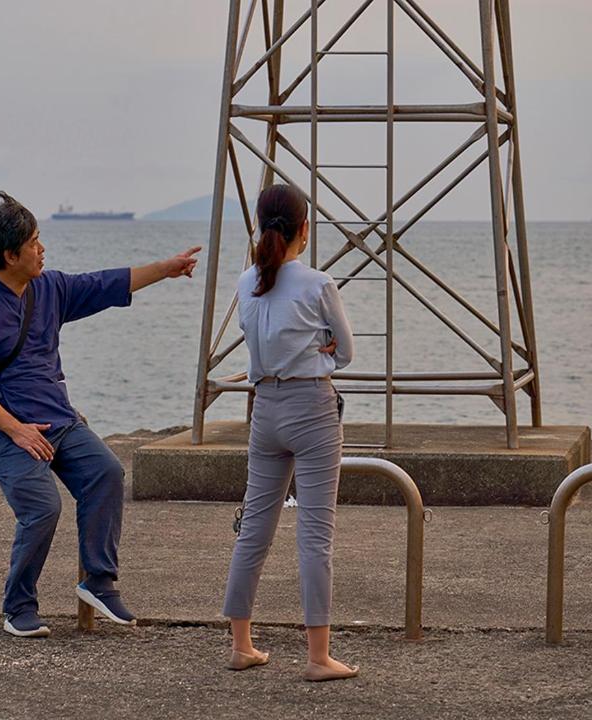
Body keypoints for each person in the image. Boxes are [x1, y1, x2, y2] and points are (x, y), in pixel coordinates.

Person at [0, 191, 199, 638]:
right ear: (10, 255)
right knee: (43, 507)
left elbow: (106, 283)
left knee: (106, 473)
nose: (42, 249)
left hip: (58, 420)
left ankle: (99, 583)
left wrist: (167, 268)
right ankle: (18, 606)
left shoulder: (49, 289)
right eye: (34, 242)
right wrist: (18, 430)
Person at [222, 183, 357, 681]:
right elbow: (345, 352)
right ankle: (319, 657)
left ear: (260, 225)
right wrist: (321, 347)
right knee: (315, 535)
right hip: (311, 408)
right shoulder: (318, 284)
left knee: (254, 529)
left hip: (265, 409)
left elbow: (259, 339)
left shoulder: (244, 282)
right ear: (306, 228)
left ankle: (242, 645)